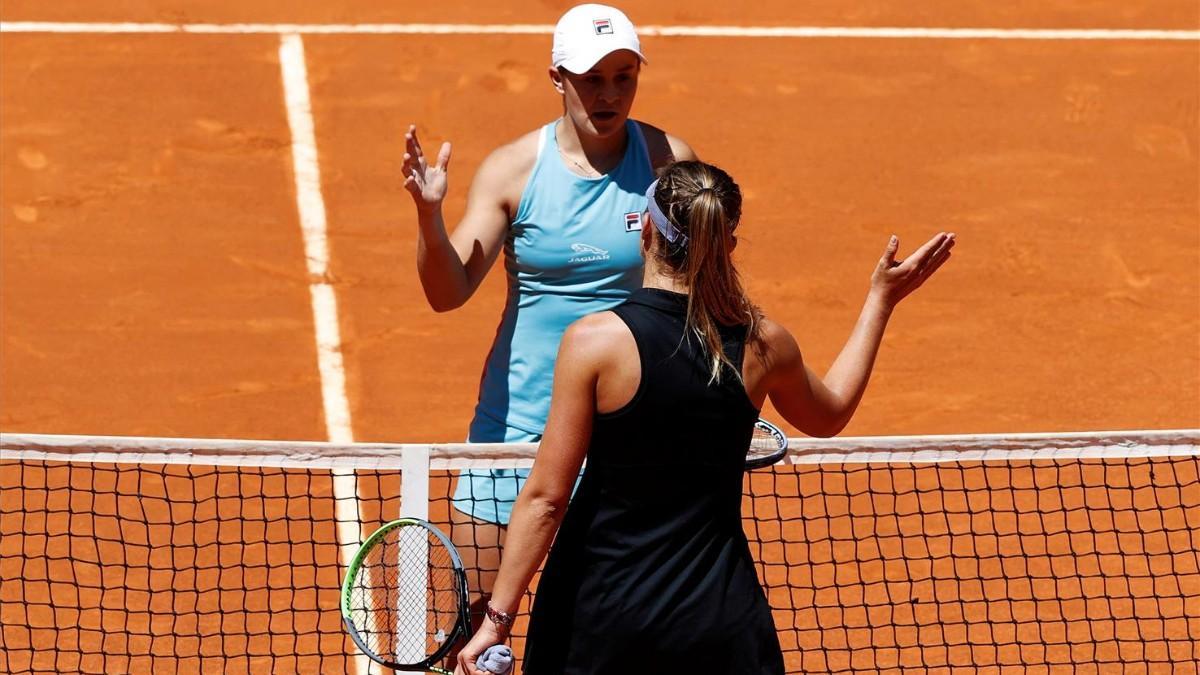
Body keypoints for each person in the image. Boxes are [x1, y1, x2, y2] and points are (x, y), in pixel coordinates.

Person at [453, 160, 956, 674]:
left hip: (601, 619)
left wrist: (496, 621)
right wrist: (881, 300)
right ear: (726, 243)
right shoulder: (762, 344)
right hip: (719, 622)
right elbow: (830, 415)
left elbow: (546, 499)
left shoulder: (596, 343)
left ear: (646, 230)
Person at [401, 3, 697, 631]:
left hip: (623, 434)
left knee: (606, 634)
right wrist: (430, 218)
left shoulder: (669, 162)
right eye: (592, 78)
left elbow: (696, 290)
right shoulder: (514, 170)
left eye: (624, 76)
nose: (609, 93)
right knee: (466, 628)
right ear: (557, 77)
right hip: (516, 429)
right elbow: (447, 291)